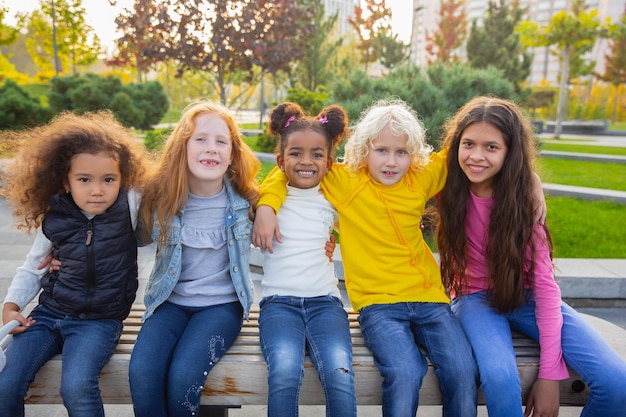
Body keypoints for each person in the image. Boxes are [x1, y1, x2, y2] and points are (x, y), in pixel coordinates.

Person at [254, 98, 479, 417]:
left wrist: (533, 183)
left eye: (401, 152)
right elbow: (287, 169)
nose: (391, 161)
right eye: (381, 150)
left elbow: (458, 153)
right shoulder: (347, 181)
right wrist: (266, 206)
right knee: (406, 371)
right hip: (378, 305)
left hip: (429, 299)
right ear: (364, 151)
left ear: (412, 155)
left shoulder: (419, 178)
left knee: (462, 369)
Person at [435, 96, 626, 417]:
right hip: (473, 298)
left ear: (511, 152)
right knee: (500, 379)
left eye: (492, 147)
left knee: (617, 384)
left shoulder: (522, 201)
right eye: (468, 143)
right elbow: (399, 166)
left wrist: (550, 375)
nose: (477, 156)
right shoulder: (444, 185)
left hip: (528, 296)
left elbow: (545, 289)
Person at [0, 111, 145, 417]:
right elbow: (32, 267)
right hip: (48, 313)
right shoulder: (57, 216)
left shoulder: (129, 206)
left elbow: (168, 186)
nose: (97, 190)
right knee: (6, 383)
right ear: (65, 181)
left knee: (76, 386)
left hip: (99, 322)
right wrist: (11, 305)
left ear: (123, 178)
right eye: (84, 179)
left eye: (109, 179)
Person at [128, 100, 260, 417]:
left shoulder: (248, 202)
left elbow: (291, 222)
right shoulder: (161, 198)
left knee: (185, 375)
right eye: (200, 139)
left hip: (221, 306)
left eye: (220, 141)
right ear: (182, 148)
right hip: (170, 303)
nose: (210, 148)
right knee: (142, 372)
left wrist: (326, 243)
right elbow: (131, 237)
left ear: (232, 154)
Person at [256, 102, 356, 417]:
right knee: (285, 372)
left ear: (328, 162)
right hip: (278, 304)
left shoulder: (332, 197)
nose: (306, 161)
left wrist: (334, 239)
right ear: (280, 160)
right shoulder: (267, 200)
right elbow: (270, 185)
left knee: (339, 372)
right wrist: (263, 208)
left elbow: (356, 224)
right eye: (296, 153)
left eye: (316, 154)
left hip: (325, 303)